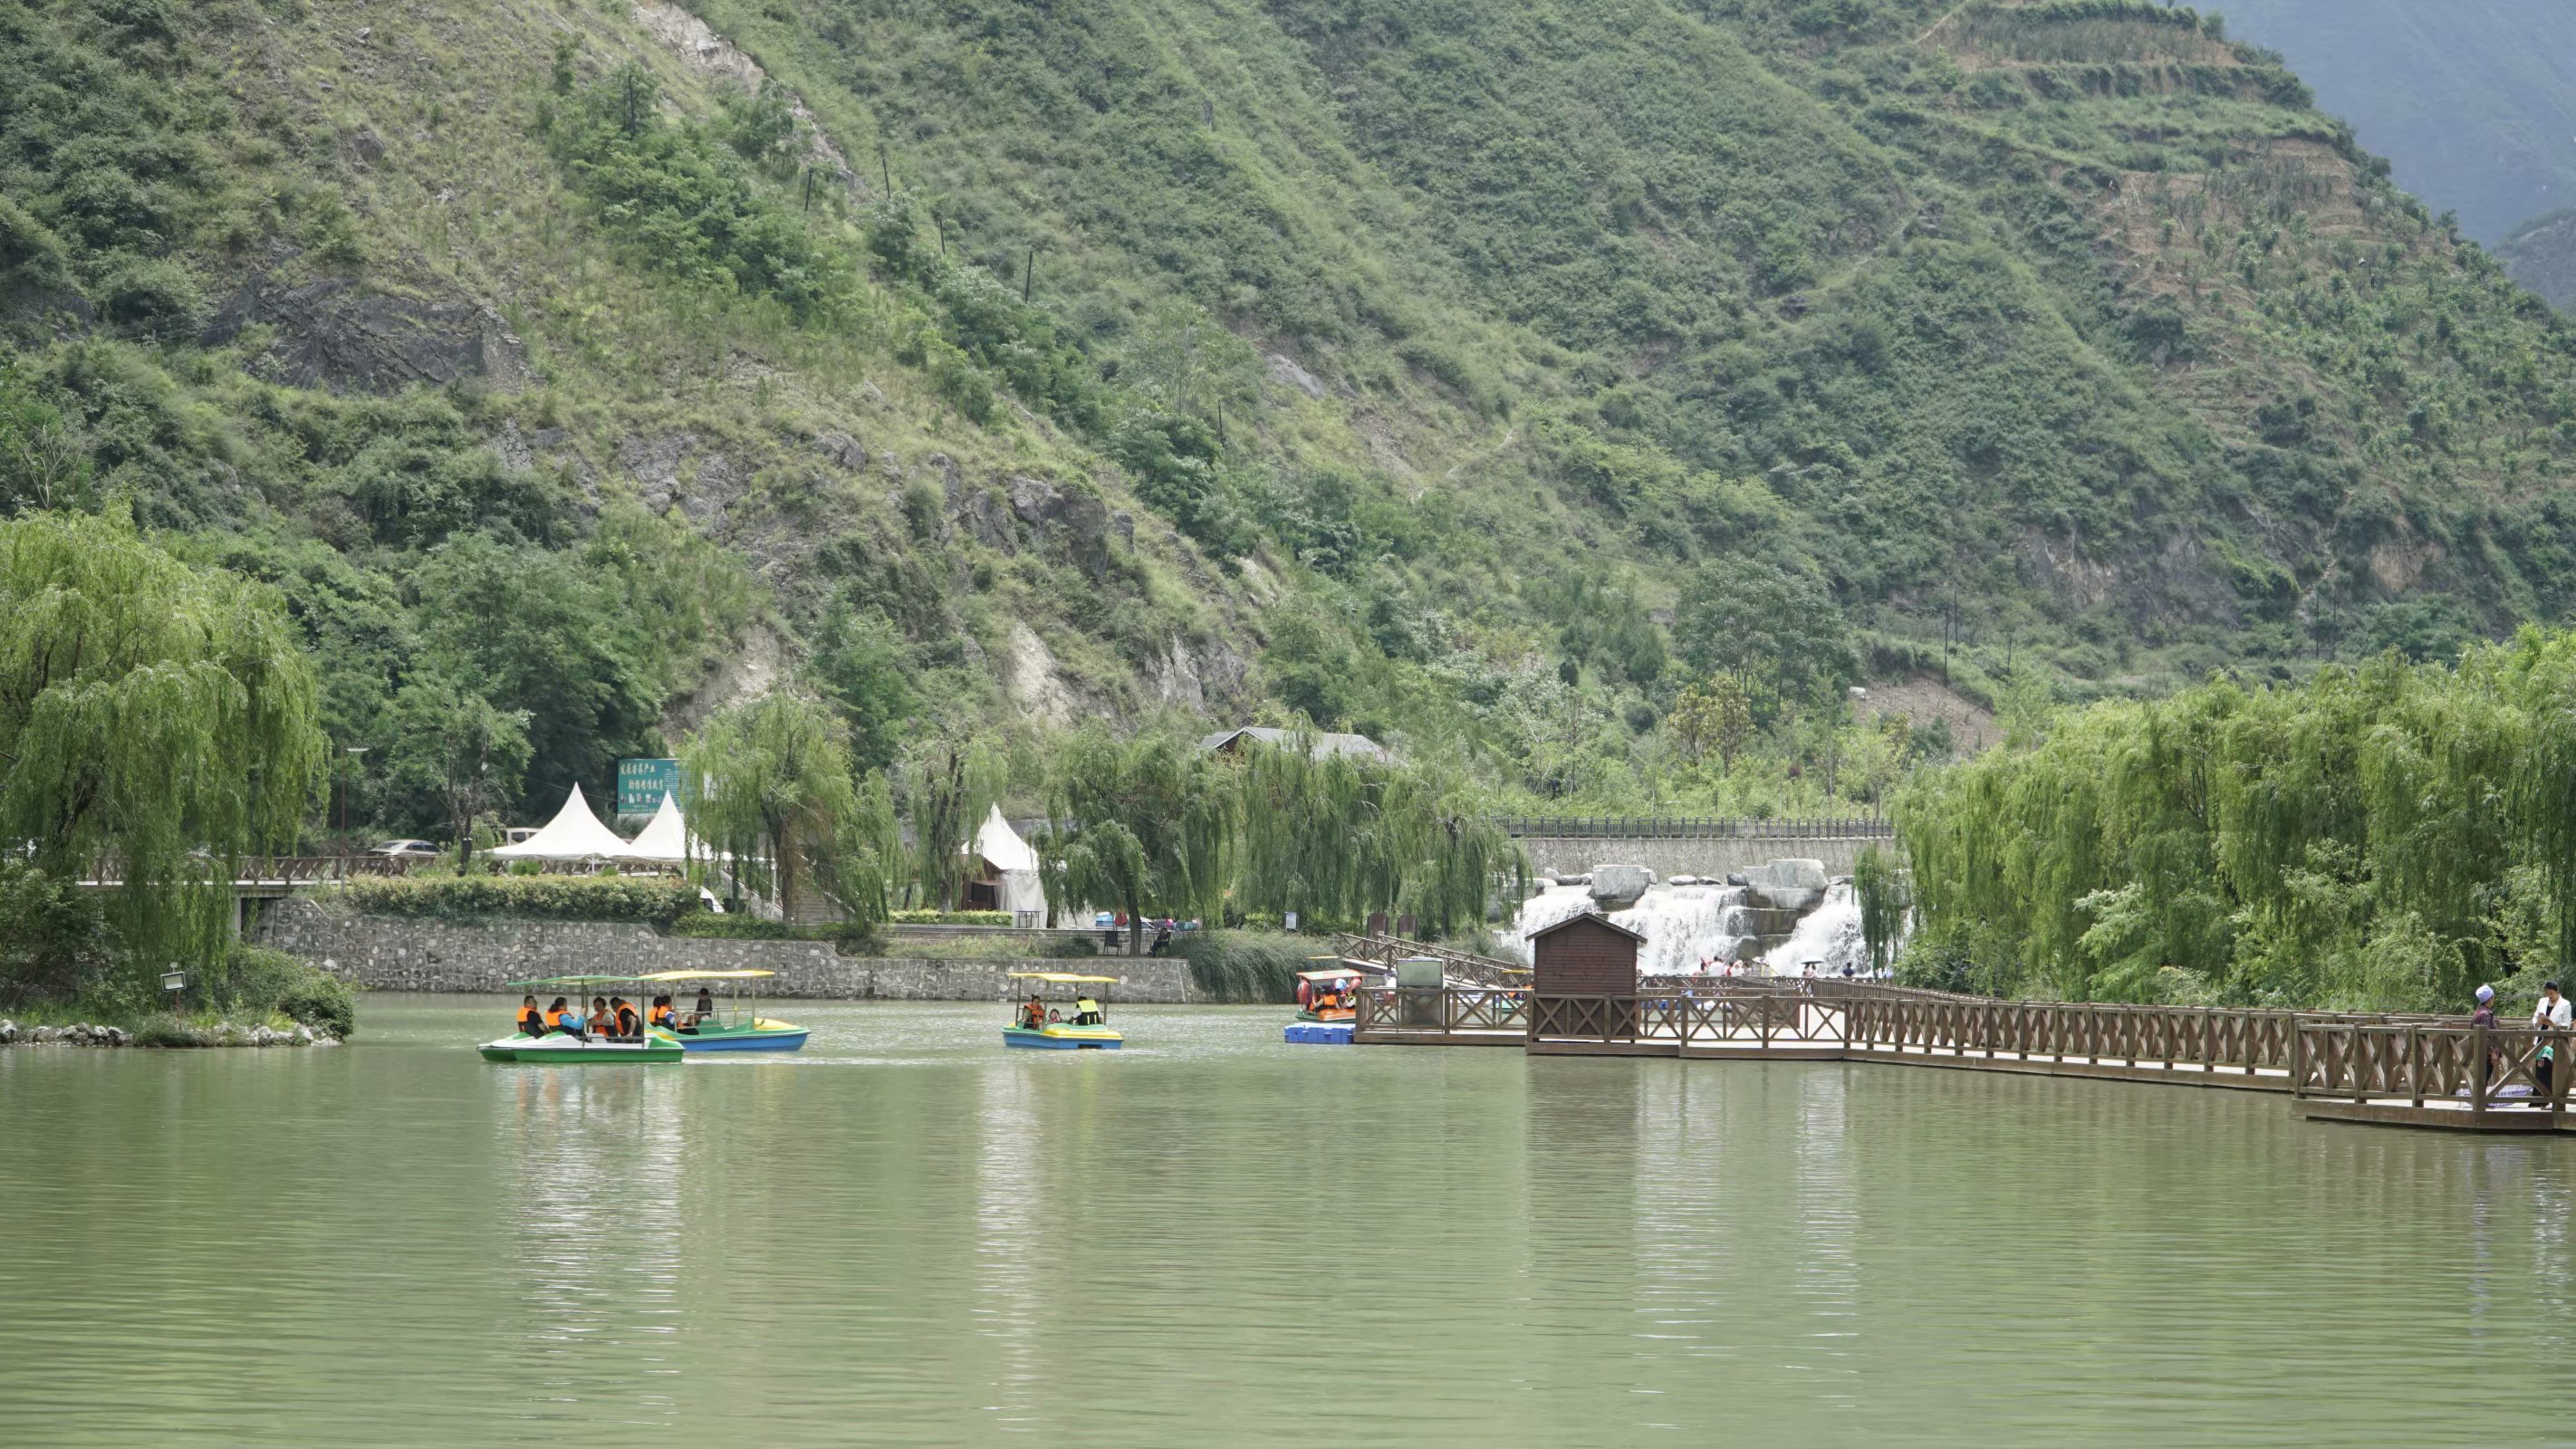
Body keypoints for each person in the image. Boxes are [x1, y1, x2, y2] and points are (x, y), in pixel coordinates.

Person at [2536, 982, 2572, 1095]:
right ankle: (2540, 1099)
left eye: (2551, 993)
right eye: (2548, 994)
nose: (2549, 996)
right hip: (2541, 1037)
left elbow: (2566, 1024)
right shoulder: (2542, 1001)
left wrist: (2552, 1024)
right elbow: (2534, 1018)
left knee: (2552, 1066)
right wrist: (2539, 1021)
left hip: (2556, 1039)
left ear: (2557, 991)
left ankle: (2554, 1095)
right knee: (2540, 1066)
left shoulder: (2565, 1004)